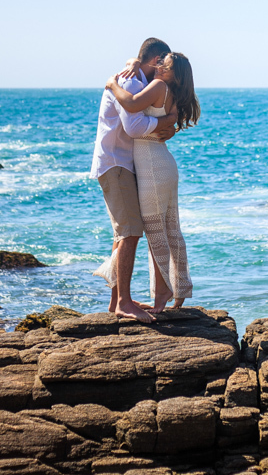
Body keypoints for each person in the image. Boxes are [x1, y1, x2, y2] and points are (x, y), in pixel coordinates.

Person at [90, 38, 178, 323]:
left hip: (121, 164)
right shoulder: (128, 82)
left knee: (122, 232)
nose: (164, 70)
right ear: (155, 61)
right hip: (116, 164)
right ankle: (123, 302)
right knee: (130, 232)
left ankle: (117, 299)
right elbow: (134, 125)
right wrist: (165, 123)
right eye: (163, 64)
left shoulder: (134, 77)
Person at [105, 51, 200, 312]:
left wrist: (113, 84)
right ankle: (178, 290)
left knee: (156, 233)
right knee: (170, 231)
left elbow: (133, 104)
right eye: (158, 63)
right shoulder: (170, 91)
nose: (158, 68)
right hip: (162, 165)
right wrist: (132, 63)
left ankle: (163, 292)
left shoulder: (158, 86)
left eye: (163, 65)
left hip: (153, 169)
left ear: (172, 72)